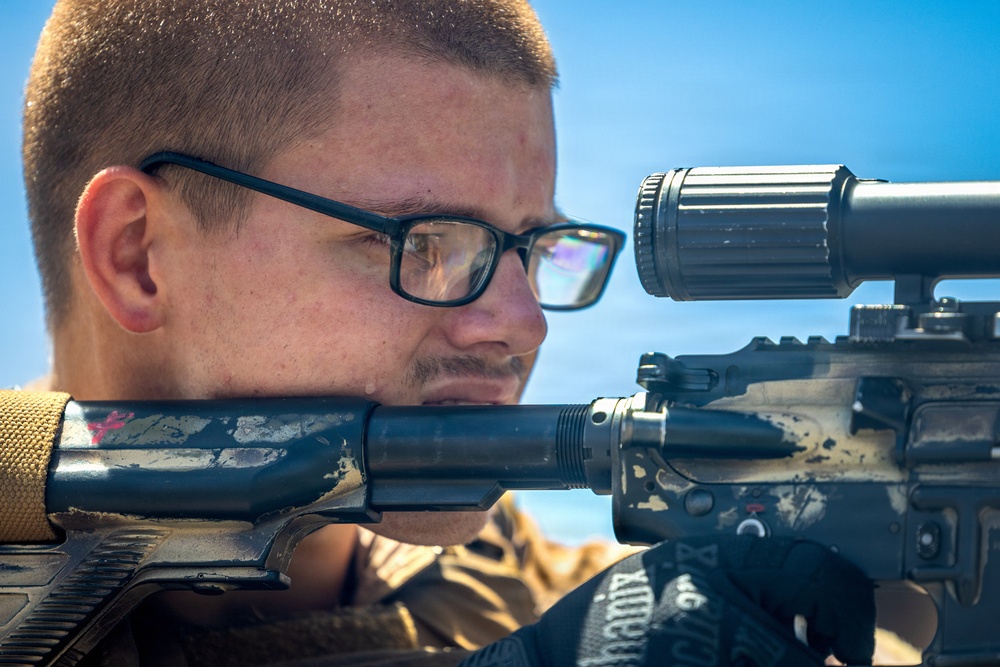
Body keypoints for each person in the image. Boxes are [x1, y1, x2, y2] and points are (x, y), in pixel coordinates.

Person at [17, 0, 879, 665]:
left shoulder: (551, 597)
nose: (521, 323)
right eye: (421, 242)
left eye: (531, 248)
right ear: (137, 256)